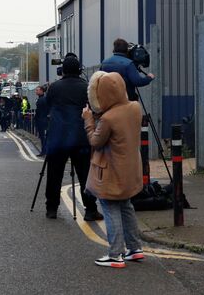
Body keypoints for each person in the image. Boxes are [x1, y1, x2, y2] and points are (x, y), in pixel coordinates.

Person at [83, 71, 144, 268]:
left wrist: (88, 120)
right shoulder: (135, 107)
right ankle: (135, 249)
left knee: (110, 208)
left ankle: (115, 254)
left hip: (110, 170)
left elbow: (95, 142)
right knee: (126, 206)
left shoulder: (108, 118)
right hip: (130, 168)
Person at [44, 54, 103, 221]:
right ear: (79, 70)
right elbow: (94, 108)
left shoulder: (54, 87)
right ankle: (90, 209)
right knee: (85, 175)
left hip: (58, 137)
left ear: (63, 70)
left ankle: (52, 208)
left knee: (54, 174)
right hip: (81, 137)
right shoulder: (86, 87)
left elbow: (48, 105)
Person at [34, 85, 48, 156]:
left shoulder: (42, 99)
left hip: (42, 120)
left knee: (43, 137)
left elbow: (40, 111)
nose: (36, 91)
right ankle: (44, 151)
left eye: (37, 90)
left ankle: (44, 151)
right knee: (43, 137)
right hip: (42, 119)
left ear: (42, 91)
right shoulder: (41, 99)